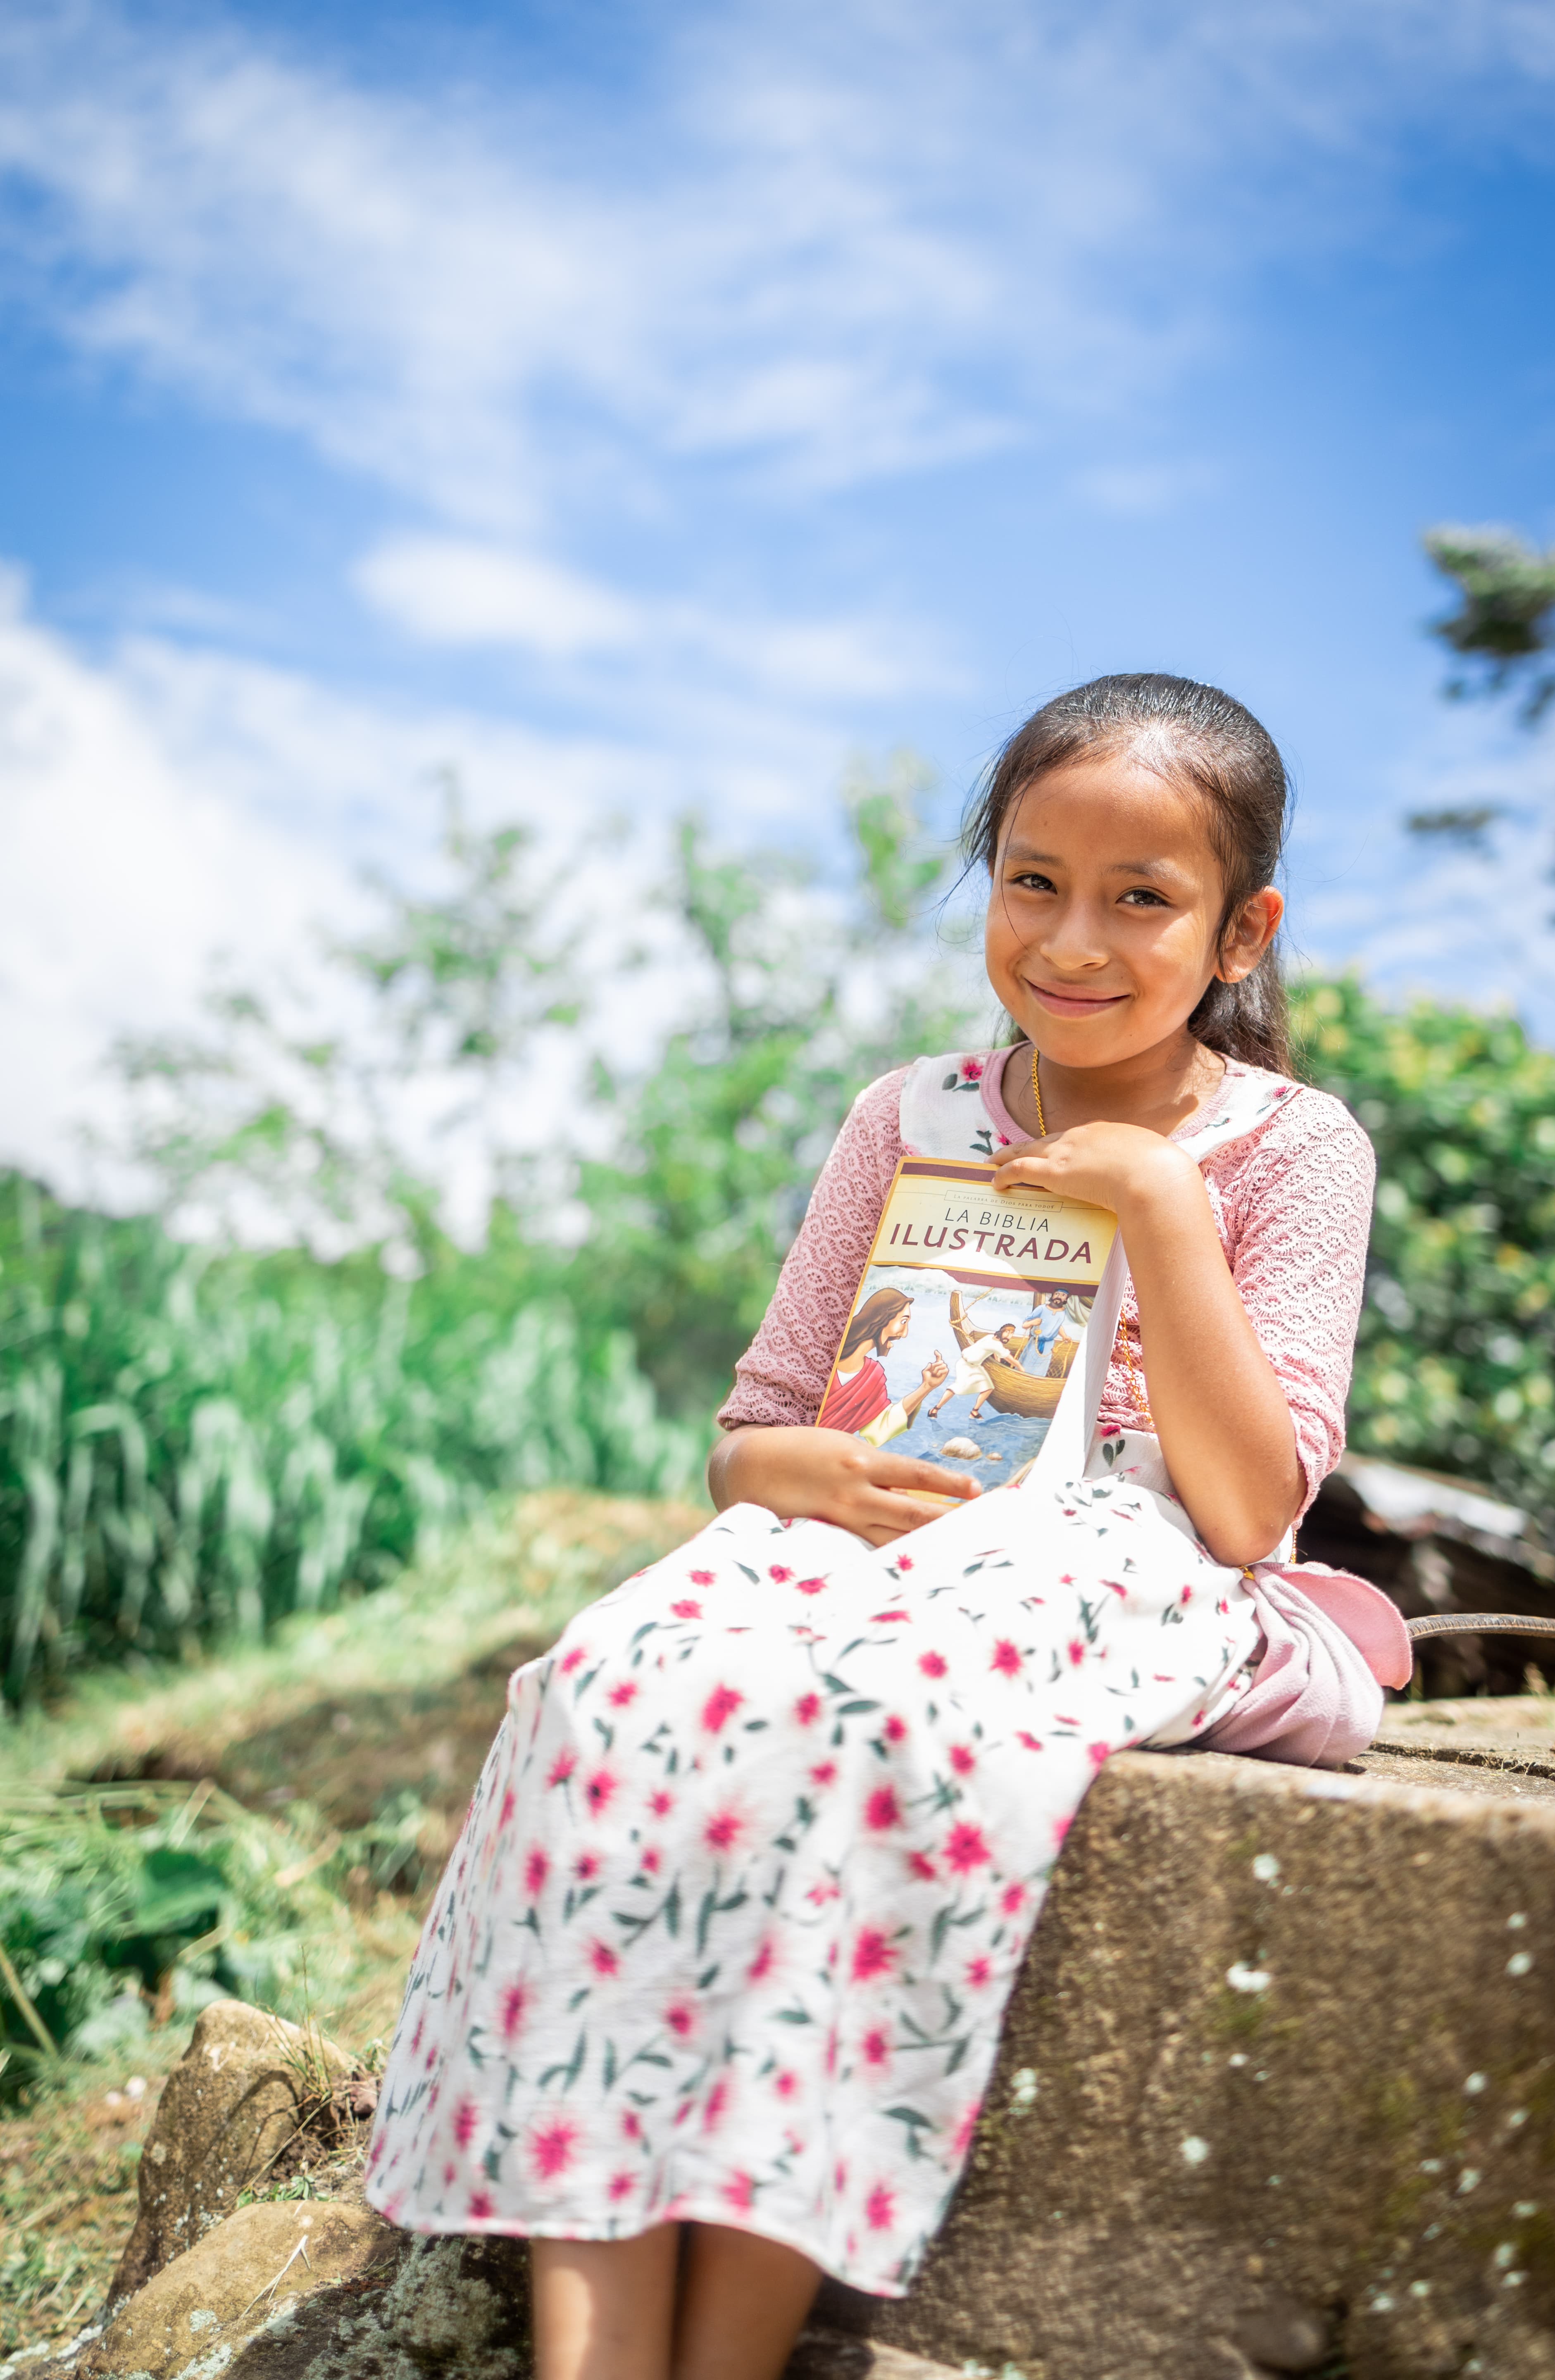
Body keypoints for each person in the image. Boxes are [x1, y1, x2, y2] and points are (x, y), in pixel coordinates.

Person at [365, 673, 1408, 2380]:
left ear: (1241, 932)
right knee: (612, 1688)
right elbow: (753, 1437)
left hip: (1115, 1564)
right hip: (863, 1532)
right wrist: (801, 1478)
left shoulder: (1297, 1150)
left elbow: (1246, 1505)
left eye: (1143, 898)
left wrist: (1153, 1198)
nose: (1075, 939)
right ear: (990, 877)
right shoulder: (906, 1117)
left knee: (867, 1732)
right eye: (1032, 881)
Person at [819, 1289, 948, 1444]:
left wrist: (927, 1387)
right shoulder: (825, 1351)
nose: (905, 1333)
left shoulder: (872, 1375)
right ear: (880, 1320)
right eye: (903, 1322)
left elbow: (880, 1428)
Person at [924, 1318, 1024, 1421]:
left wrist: (998, 1362)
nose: (1010, 1336)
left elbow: (995, 1352)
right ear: (1002, 1332)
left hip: (975, 1366)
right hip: (965, 1366)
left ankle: (974, 1412)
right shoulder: (997, 1345)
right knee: (957, 1388)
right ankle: (935, 1410)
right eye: (1008, 1332)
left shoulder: (991, 1338)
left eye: (1012, 1334)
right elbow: (1011, 1359)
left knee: (988, 1388)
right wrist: (1022, 1370)